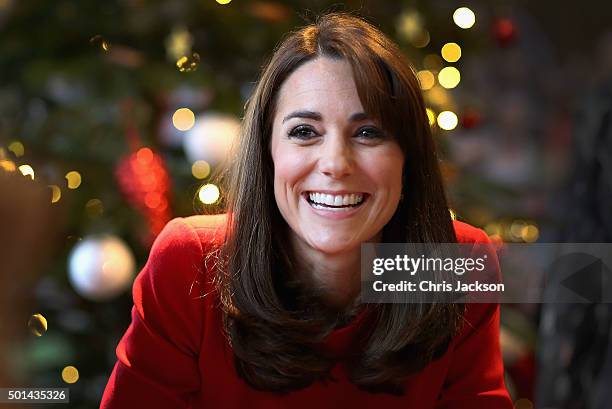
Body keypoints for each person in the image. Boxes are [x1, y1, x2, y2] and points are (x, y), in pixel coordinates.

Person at [100, 12, 512, 408]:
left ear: (409, 158)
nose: (335, 163)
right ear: (268, 152)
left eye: (368, 132)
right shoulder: (192, 262)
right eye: (304, 132)